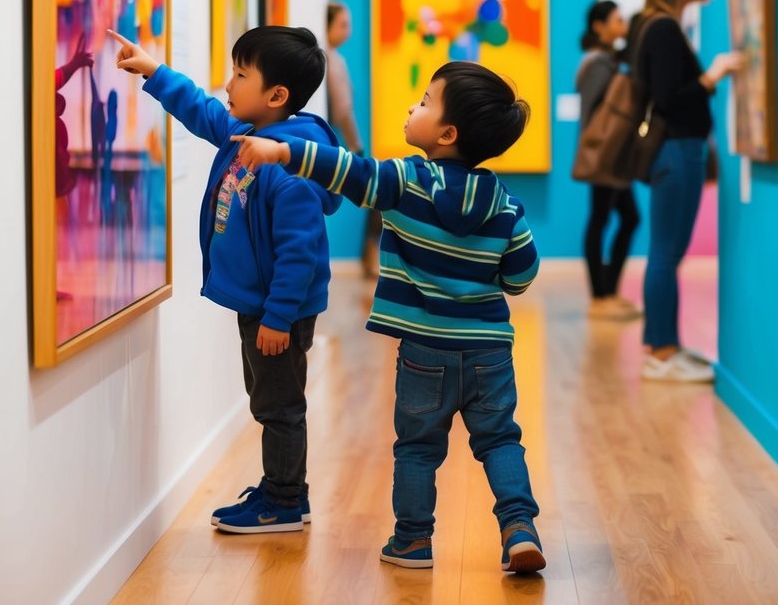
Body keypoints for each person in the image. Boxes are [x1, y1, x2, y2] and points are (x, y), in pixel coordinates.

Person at [230, 62, 547, 575]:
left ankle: (412, 542)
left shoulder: (405, 182)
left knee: (418, 448)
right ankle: (519, 528)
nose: (411, 107)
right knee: (500, 439)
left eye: (423, 102)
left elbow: (346, 171)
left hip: (425, 353)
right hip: (490, 353)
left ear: (446, 133)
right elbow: (521, 277)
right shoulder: (505, 204)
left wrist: (284, 149)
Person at [109, 25, 342, 533]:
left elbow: (298, 254)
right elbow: (204, 112)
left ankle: (284, 501)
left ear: (276, 96)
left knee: (278, 406)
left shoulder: (288, 165)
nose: (228, 84)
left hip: (276, 310)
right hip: (259, 303)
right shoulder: (252, 134)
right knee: (267, 399)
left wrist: (279, 317)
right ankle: (280, 485)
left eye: (240, 75)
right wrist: (154, 71)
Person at [633, 0, 743, 383]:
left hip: (679, 152)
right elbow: (666, 98)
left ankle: (664, 345)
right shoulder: (662, 28)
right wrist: (711, 76)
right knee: (665, 255)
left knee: (665, 254)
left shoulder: (660, 25)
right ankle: (661, 353)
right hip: (677, 152)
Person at [574, 0, 641, 320]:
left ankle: (608, 292)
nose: (622, 25)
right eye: (616, 20)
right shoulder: (599, 63)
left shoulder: (605, 60)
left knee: (623, 217)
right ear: (599, 26)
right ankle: (601, 296)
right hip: (605, 153)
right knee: (604, 219)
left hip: (609, 153)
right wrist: (598, 150)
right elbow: (595, 114)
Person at [324, 1, 382, 278]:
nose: (348, 32)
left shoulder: (331, 58)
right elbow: (344, 109)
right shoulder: (332, 60)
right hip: (339, 143)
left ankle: (369, 257)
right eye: (343, 25)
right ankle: (370, 258)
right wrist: (356, 145)